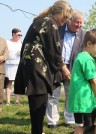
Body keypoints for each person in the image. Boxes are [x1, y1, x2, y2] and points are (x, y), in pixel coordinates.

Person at [13, 1, 72, 133]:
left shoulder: (40, 21)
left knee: (37, 105)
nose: (66, 20)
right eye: (65, 16)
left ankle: (38, 130)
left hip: (32, 67)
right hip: (38, 69)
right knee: (39, 105)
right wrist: (64, 69)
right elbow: (54, 51)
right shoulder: (50, 23)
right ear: (59, 13)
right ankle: (37, 131)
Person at [46, 9, 85, 129]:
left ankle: (70, 119)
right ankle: (52, 121)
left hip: (73, 69)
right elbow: (52, 50)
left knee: (71, 95)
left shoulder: (83, 34)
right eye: (76, 22)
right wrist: (62, 67)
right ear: (69, 20)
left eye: (81, 23)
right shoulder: (57, 30)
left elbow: (83, 53)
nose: (79, 25)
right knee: (53, 95)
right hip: (56, 67)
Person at [68, 29, 96, 134]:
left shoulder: (81, 56)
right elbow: (94, 82)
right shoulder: (87, 59)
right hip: (83, 102)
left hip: (90, 100)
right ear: (89, 44)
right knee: (81, 127)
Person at [4, 28, 22, 105]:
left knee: (17, 82)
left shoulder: (20, 43)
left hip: (18, 64)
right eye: (19, 35)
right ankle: (8, 101)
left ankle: (17, 101)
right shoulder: (7, 42)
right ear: (13, 34)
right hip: (9, 64)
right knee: (9, 82)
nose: (20, 36)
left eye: (21, 35)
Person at [0, 37, 8, 112]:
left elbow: (6, 52)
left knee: (0, 88)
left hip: (0, 68)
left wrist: (4, 57)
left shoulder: (3, 40)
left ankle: (0, 105)